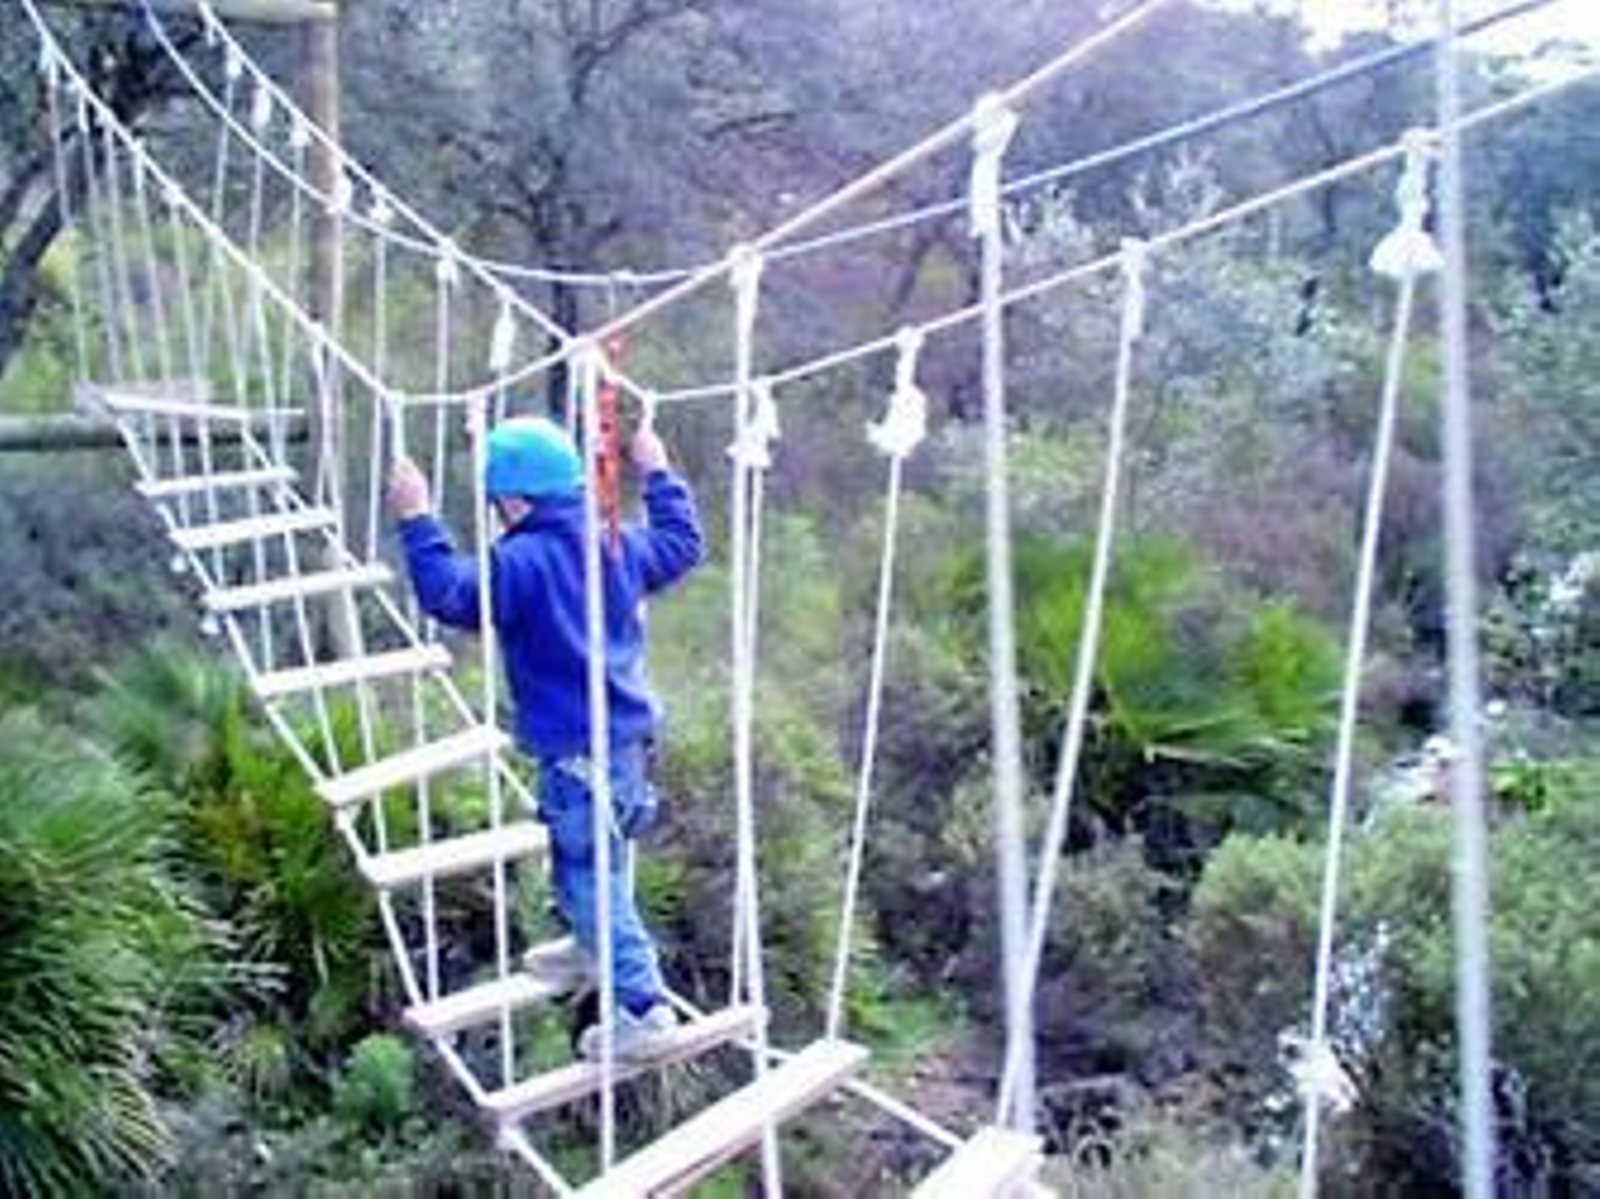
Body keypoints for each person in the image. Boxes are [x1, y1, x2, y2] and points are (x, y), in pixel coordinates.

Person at [388, 413, 704, 1059]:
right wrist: (659, 471)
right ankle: (593, 947)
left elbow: (450, 593)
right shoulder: (617, 539)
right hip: (627, 745)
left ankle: (644, 1008)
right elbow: (682, 542)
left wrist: (418, 519)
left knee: (589, 875)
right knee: (594, 860)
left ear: (513, 500)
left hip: (577, 752)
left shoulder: (521, 561)